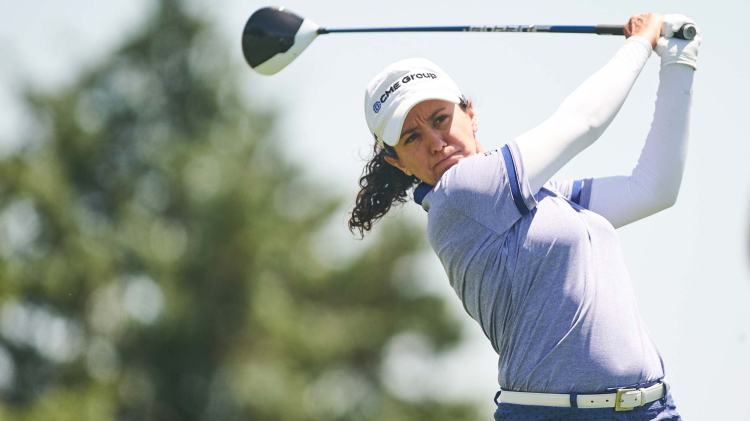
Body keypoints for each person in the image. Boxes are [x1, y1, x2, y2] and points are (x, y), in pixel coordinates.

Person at [349, 11, 699, 421]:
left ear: (470, 113)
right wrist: (640, 43)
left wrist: (680, 61)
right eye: (413, 138)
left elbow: (653, 189)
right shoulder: (460, 193)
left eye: (440, 119)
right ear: (398, 162)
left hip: (652, 409)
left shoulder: (543, 199)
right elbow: (582, 121)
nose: (436, 143)